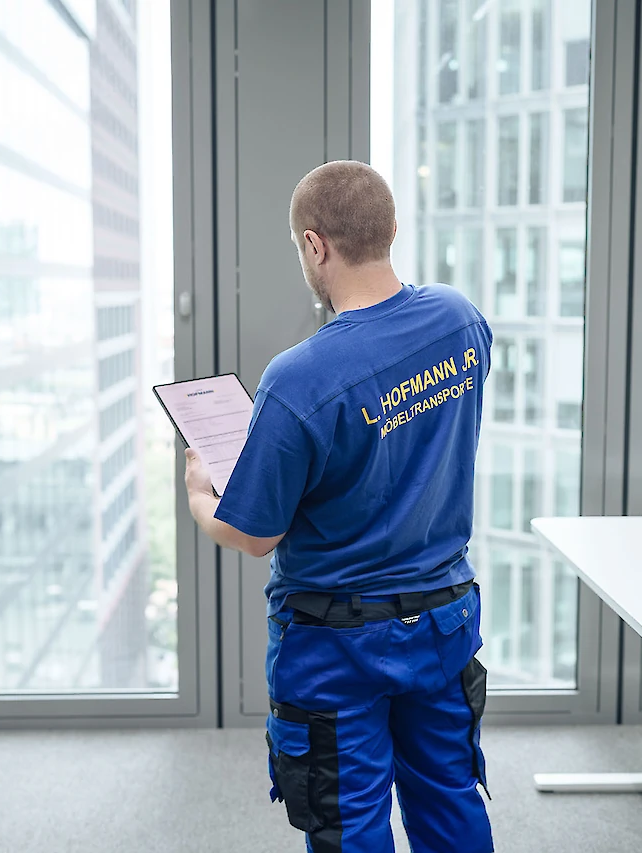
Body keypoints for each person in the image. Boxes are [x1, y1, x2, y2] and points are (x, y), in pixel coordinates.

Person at [183, 160, 494, 853]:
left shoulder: (300, 378)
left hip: (336, 643)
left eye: (301, 247)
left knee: (351, 824)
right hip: (444, 617)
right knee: (449, 795)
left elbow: (253, 532)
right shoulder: (461, 321)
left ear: (316, 245)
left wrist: (204, 495)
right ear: (390, 229)